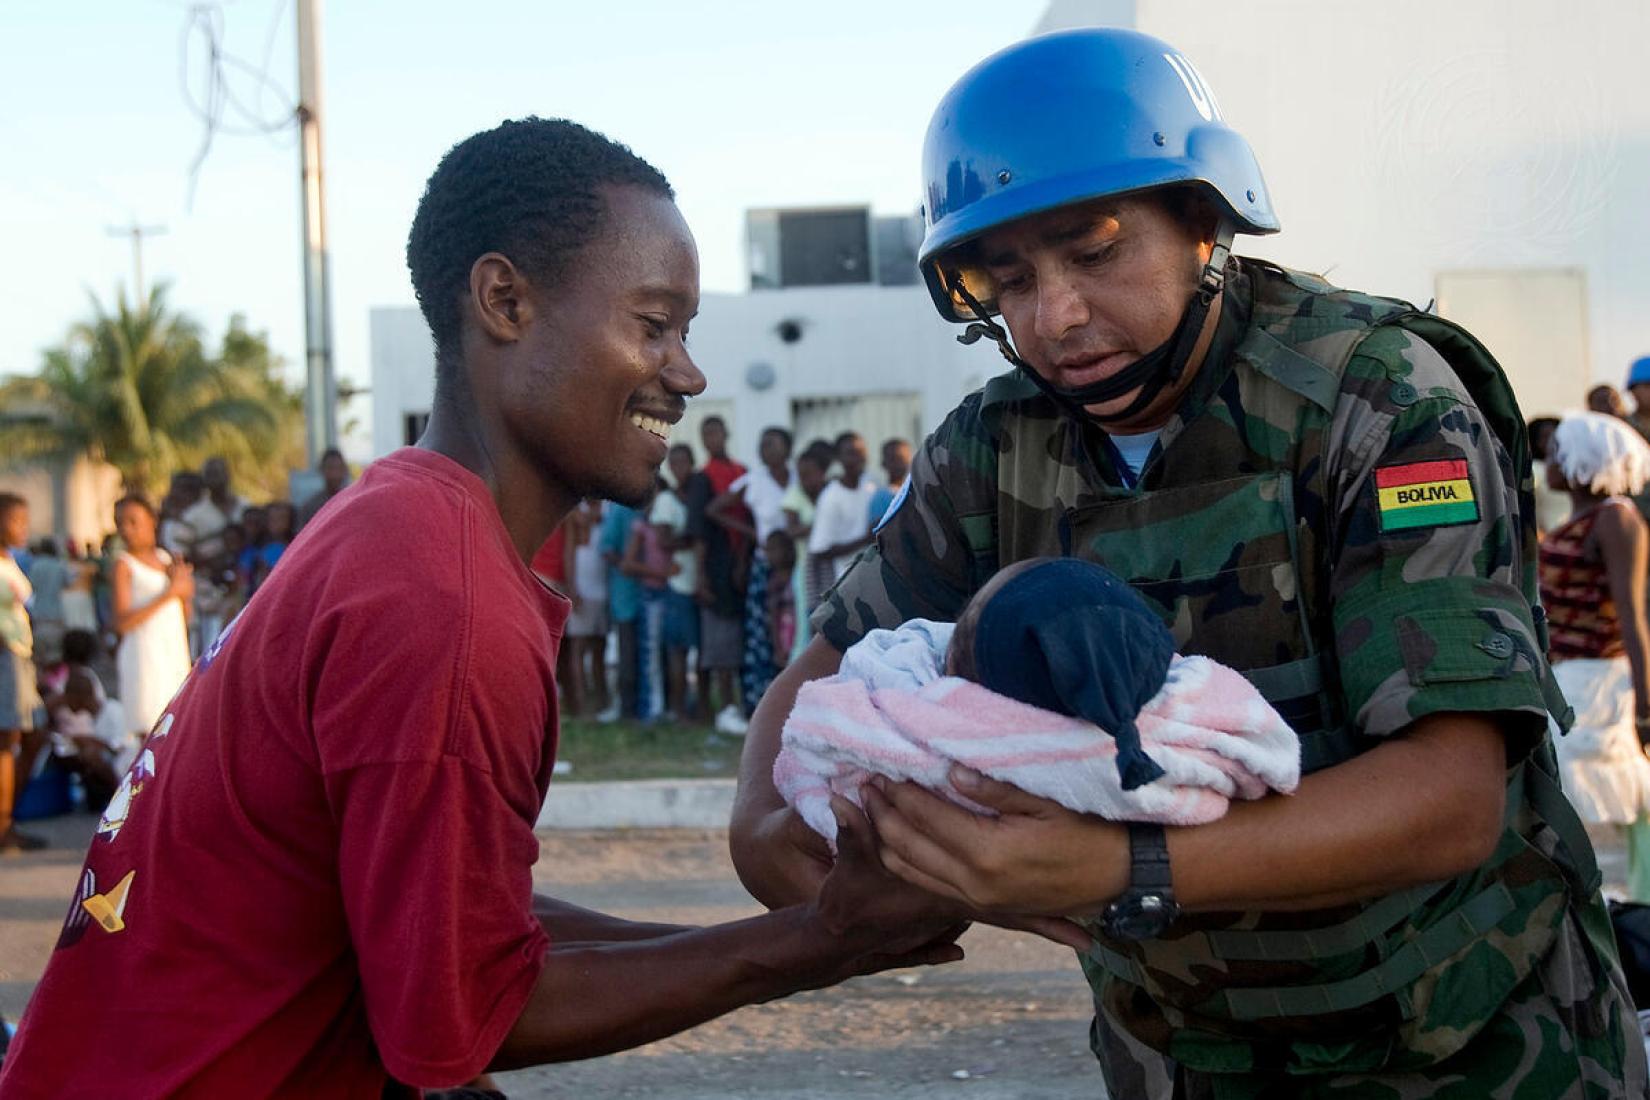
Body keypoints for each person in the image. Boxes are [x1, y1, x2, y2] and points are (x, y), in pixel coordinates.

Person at [730, 29, 1644, 1096]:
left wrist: (1121, 867)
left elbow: (1450, 794)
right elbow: (817, 685)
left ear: (1202, 217)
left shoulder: (1375, 397)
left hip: (1472, 1045)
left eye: (1095, 249)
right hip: (1186, 1055)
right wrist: (780, 843)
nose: (1054, 316)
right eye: (1007, 277)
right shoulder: (994, 447)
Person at [0, 117, 959, 1099]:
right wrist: (819, 939)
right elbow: (463, 1012)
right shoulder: (442, 601)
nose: (687, 370)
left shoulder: (394, 522)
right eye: (653, 323)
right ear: (505, 300)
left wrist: (798, 931)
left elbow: (450, 911)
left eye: (687, 330)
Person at [1539, 413, 1650, 899]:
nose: (1552, 459)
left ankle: (1623, 912)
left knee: (1597, 797)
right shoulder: (1578, 519)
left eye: (1560, 450)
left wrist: (1646, 707)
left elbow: (1630, 612)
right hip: (1570, 677)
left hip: (1601, 680)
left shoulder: (1616, 519)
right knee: (1577, 792)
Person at [710, 426, 794, 719]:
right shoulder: (753, 480)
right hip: (765, 565)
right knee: (762, 636)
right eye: (762, 443)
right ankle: (759, 705)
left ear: (787, 448)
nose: (765, 449)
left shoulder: (798, 477)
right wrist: (753, 532)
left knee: (792, 635)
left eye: (772, 443)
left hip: (795, 567)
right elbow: (715, 509)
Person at [109, 495, 193, 739]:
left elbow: (184, 616)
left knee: (177, 730)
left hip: (172, 652)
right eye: (120, 523)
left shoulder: (167, 560)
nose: (126, 530)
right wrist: (169, 593)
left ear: (152, 521)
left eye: (133, 522)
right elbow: (121, 622)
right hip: (143, 656)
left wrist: (185, 593)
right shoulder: (124, 565)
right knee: (149, 735)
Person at [688, 416, 749, 732]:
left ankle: (742, 702)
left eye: (715, 431)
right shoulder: (703, 478)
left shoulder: (742, 474)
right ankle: (724, 705)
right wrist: (701, 575)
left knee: (741, 638)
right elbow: (699, 531)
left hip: (741, 565)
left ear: (726, 433)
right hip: (715, 565)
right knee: (720, 642)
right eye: (705, 433)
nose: (711, 438)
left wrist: (742, 558)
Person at [0, 494, 45, 852]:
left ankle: (8, 819)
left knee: (31, 737)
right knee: (8, 740)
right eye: (16, 520)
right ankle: (4, 827)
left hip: (20, 655)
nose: (23, 528)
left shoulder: (9, 560)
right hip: (6, 656)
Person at [807, 432, 879, 584]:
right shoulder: (830, 497)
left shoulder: (872, 486)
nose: (859, 458)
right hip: (848, 583)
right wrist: (864, 539)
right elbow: (821, 550)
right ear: (838, 458)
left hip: (876, 578)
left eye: (862, 453)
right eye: (852, 453)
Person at [563, 499, 611, 718]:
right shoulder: (576, 511)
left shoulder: (609, 508)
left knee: (600, 647)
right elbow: (569, 550)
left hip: (604, 588)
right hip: (583, 587)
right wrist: (572, 587)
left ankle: (602, 700)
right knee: (579, 647)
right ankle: (581, 704)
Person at [597, 500, 644, 721]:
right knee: (627, 652)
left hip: (655, 593)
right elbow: (606, 549)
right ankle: (628, 708)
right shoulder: (621, 510)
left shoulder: (659, 502)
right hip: (626, 593)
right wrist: (630, 565)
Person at [784, 441, 834, 629]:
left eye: (808, 475)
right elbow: (791, 530)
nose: (803, 480)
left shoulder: (832, 492)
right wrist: (819, 525)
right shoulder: (795, 493)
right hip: (805, 569)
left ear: (822, 473)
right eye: (800, 475)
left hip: (832, 565)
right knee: (807, 624)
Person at [180, 457, 245, 566]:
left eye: (217, 473)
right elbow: (184, 550)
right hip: (206, 574)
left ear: (228, 475)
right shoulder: (192, 514)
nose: (214, 478)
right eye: (209, 474)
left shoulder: (244, 506)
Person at [297, 447, 352, 531]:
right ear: (321, 470)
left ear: (344, 470)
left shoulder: (352, 502)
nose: (335, 474)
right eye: (330, 468)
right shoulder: (310, 507)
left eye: (338, 468)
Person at [865, 438, 912, 531]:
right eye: (893, 459)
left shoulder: (915, 491)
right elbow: (877, 531)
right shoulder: (881, 497)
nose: (898, 464)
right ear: (883, 463)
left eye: (902, 459)